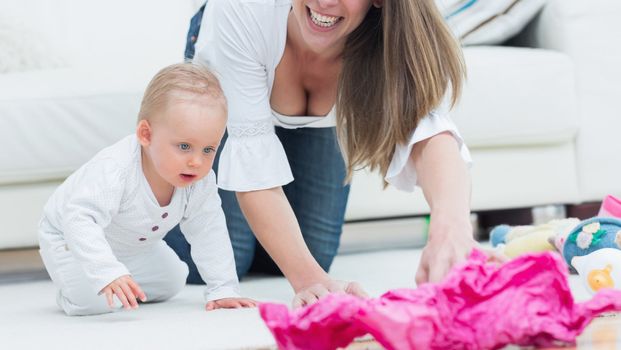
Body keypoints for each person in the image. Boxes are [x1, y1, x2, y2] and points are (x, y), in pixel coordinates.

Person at [165, 0, 478, 307]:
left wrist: (451, 228)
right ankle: (142, 188)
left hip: (313, 102)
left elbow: (429, 135)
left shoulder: (395, 31)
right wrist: (309, 280)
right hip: (237, 47)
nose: (325, 2)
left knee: (312, 252)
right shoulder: (242, 9)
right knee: (221, 259)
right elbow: (254, 167)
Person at [38, 63, 256, 316]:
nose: (197, 161)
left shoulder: (199, 180)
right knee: (92, 303)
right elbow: (78, 219)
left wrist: (223, 288)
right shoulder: (116, 169)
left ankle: (123, 279)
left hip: (132, 247)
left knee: (173, 280)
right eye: (184, 146)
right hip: (70, 236)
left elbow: (209, 230)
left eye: (209, 150)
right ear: (146, 134)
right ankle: (72, 291)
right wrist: (107, 272)